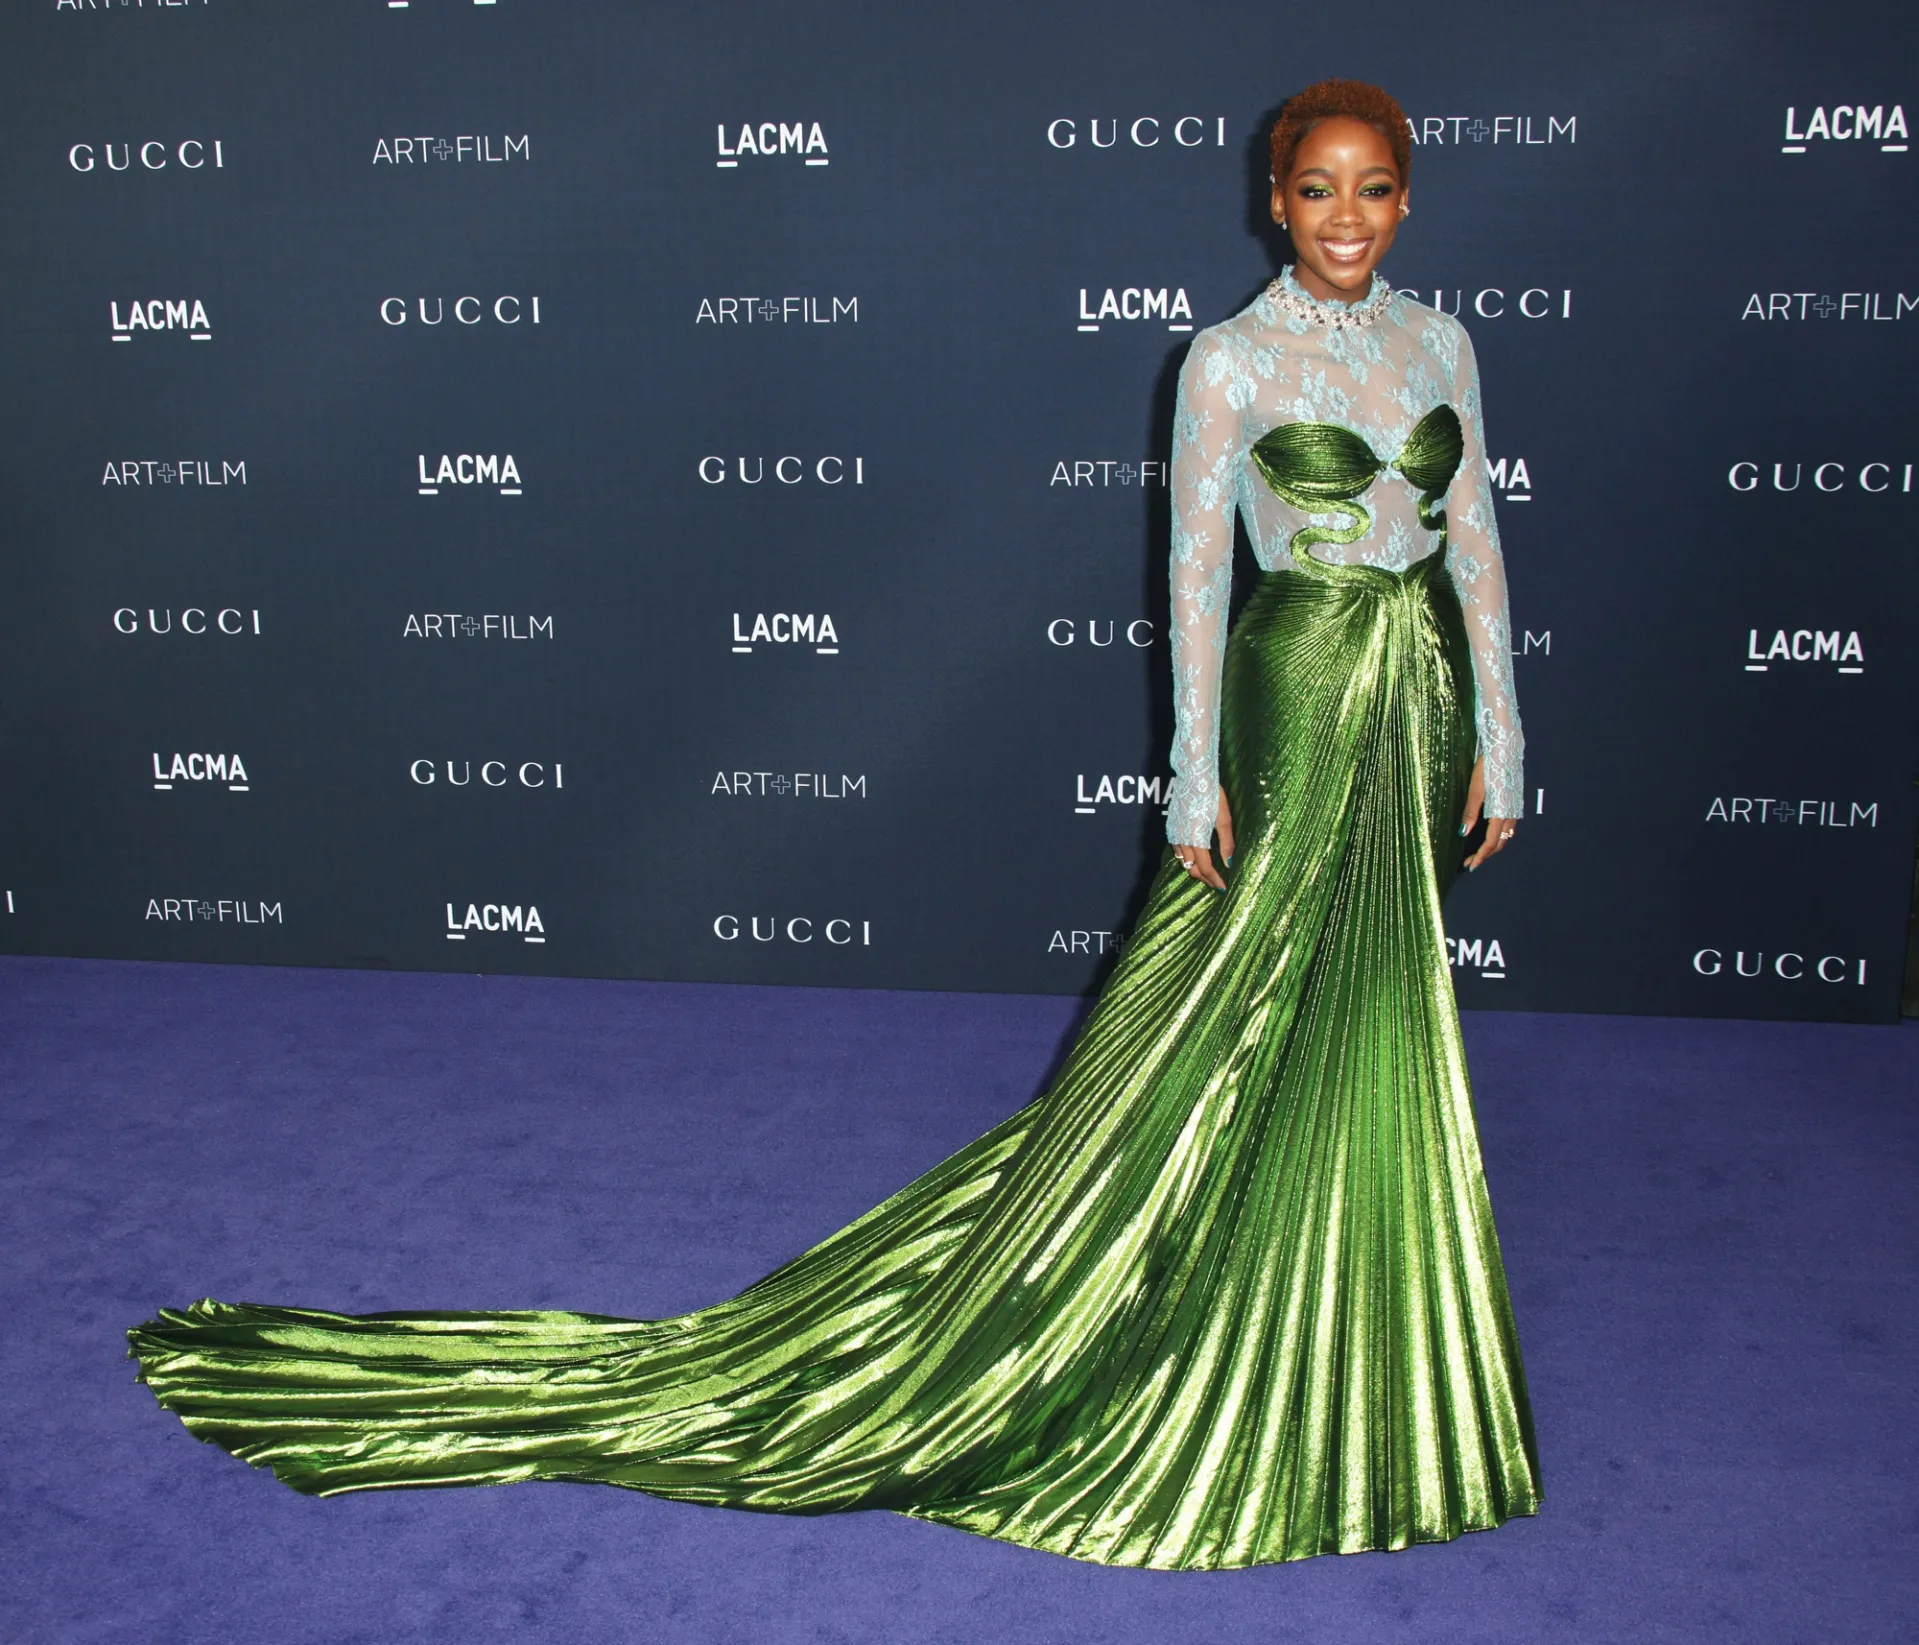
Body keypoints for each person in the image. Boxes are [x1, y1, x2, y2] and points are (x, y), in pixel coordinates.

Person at [130, 79, 1541, 1570]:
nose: (1342, 217)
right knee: (1236, 998)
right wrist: (1197, 773)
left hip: (1423, 699)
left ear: (1404, 199)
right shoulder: (1228, 359)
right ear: (1274, 201)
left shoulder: (1441, 343)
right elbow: (1195, 578)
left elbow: (1477, 548)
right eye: (1315, 189)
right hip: (1295, 691)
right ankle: (1186, 1289)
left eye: (1369, 189)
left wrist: (1500, 741)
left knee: (1381, 988)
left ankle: (1363, 1300)